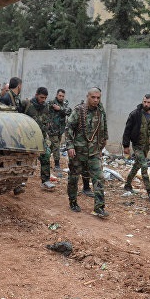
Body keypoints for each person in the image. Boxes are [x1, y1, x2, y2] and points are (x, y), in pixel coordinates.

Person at [64, 87, 109, 218]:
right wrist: (70, 146)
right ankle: (73, 201)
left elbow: (104, 127)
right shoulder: (79, 110)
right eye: (93, 97)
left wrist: (103, 142)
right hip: (78, 151)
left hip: (94, 152)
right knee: (74, 177)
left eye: (98, 98)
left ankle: (99, 207)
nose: (96, 100)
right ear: (87, 96)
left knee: (99, 177)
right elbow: (69, 128)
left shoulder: (100, 111)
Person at [122, 94, 150, 196]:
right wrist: (126, 145)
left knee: (137, 165)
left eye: (148, 102)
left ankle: (127, 184)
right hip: (137, 145)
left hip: (146, 146)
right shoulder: (135, 114)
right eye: (144, 102)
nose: (146, 104)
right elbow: (127, 130)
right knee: (144, 165)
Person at [24, 87, 56, 190]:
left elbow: (47, 121)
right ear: (36, 94)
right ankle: (20, 182)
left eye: (45, 98)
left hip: (40, 138)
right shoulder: (27, 104)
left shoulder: (46, 107)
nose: (43, 100)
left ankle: (45, 181)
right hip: (27, 138)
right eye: (42, 97)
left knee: (46, 155)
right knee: (25, 159)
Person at [48, 89, 71, 173]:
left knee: (53, 146)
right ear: (56, 95)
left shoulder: (65, 103)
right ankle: (57, 165)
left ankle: (44, 157)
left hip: (60, 129)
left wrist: (60, 109)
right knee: (56, 146)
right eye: (60, 95)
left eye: (62, 96)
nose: (61, 97)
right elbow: (46, 111)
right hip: (52, 129)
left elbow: (69, 112)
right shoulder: (51, 102)